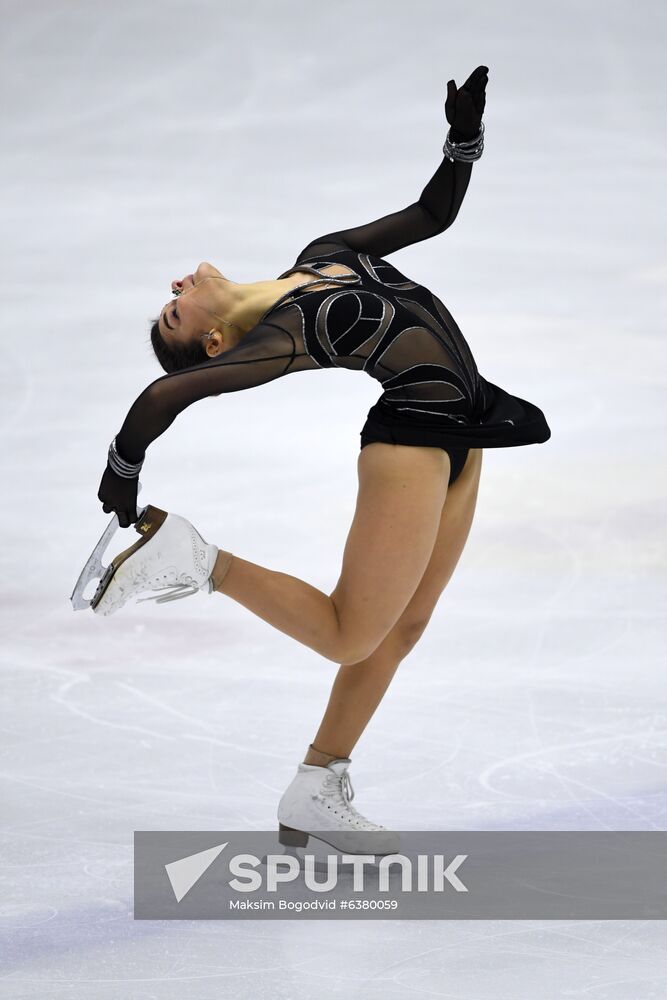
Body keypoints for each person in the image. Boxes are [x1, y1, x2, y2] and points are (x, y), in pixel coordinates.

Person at [94, 66, 550, 851]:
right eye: (175, 306)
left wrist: (461, 140)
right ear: (209, 340)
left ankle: (316, 786)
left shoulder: (323, 255)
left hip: (467, 430)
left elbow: (430, 215)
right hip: (410, 441)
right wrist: (124, 468)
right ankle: (197, 559)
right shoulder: (280, 339)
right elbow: (166, 397)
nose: (177, 282)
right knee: (348, 635)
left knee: (402, 628)